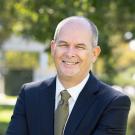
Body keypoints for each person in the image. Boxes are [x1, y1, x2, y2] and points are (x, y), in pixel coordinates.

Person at [6, 16, 131, 135]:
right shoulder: (29, 94)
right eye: (64, 45)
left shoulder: (113, 103)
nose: (70, 53)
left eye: (79, 47)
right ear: (53, 48)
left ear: (94, 53)